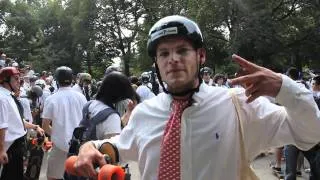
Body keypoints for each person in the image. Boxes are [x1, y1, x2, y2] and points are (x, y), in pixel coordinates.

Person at [74, 15, 320, 179]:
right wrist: (90, 147)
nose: (173, 59)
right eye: (164, 53)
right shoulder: (145, 113)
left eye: (182, 50)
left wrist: (284, 88)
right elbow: (119, 146)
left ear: (201, 56)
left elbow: (311, 134)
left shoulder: (239, 105)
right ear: (156, 63)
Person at [42, 66, 87, 180]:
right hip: (78, 145)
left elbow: (45, 126)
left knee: (53, 176)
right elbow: (87, 121)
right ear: (72, 79)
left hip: (59, 145)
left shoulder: (51, 99)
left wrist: (57, 134)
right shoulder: (81, 97)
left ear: (56, 80)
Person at [0, 67, 44, 179]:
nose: (19, 81)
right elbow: (1, 126)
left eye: (19, 78)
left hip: (17, 145)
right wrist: (1, 150)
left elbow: (18, 121)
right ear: (5, 80)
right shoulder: (2, 98)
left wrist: (35, 126)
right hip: (10, 147)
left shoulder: (8, 96)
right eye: (16, 78)